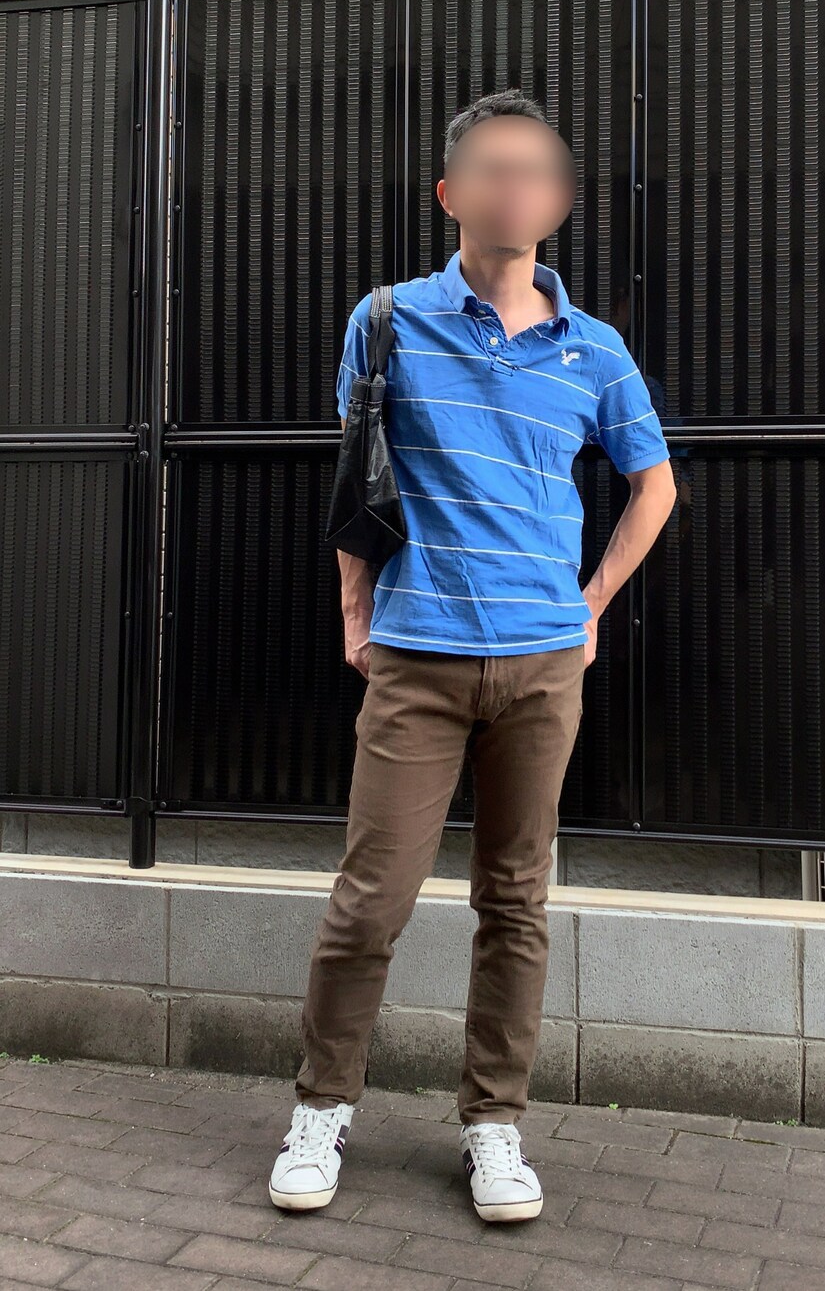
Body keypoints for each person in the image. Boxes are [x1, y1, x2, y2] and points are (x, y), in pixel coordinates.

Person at [269, 88, 675, 1222]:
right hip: (418, 655)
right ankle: (321, 1108)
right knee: (370, 901)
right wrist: (354, 611)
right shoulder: (387, 319)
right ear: (451, 193)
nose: (513, 190)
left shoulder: (594, 349)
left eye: (533, 171)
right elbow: (356, 478)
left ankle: (494, 1124)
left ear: (558, 199)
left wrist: (590, 605)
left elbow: (653, 486)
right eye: (491, 170)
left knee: (515, 903)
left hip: (542, 664)